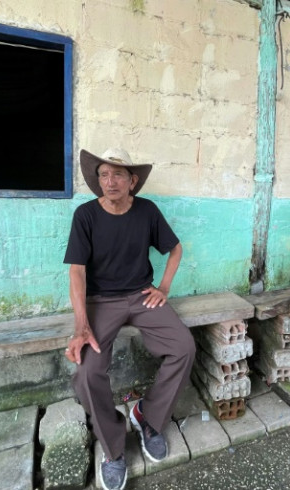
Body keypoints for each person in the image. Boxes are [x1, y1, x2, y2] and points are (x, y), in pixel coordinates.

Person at [63, 148, 196, 490]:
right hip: (100, 301)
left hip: (141, 295)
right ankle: (113, 446)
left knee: (183, 347)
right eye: (104, 175)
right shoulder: (86, 216)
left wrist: (164, 287)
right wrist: (81, 325)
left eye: (118, 175)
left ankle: (147, 417)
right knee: (88, 371)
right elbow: (77, 272)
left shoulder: (147, 211)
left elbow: (175, 248)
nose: (110, 182)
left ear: (132, 181)